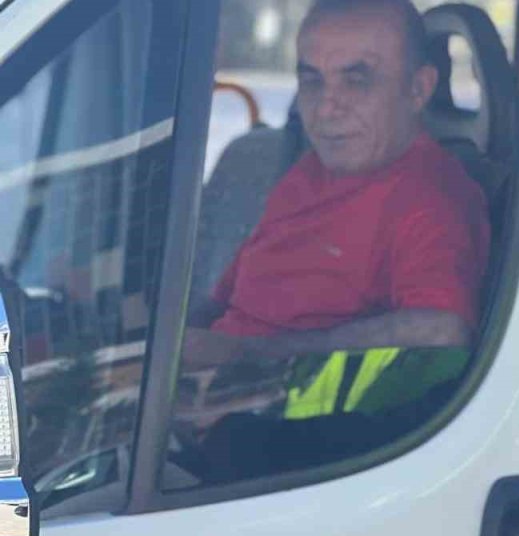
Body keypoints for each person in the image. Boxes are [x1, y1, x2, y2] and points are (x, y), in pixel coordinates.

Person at [182, 0, 489, 370]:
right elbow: (225, 303)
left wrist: (250, 354)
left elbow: (440, 332)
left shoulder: (431, 200)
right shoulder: (308, 171)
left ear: (419, 89)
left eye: (356, 80)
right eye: (312, 80)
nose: (326, 109)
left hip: (277, 412)